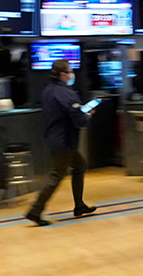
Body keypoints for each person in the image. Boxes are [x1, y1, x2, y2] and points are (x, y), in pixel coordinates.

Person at [25, 60, 97, 226]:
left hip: (55, 138)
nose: (72, 74)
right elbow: (78, 119)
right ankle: (35, 211)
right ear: (63, 74)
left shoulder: (48, 90)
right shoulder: (65, 92)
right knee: (55, 176)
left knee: (80, 166)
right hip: (64, 140)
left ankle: (79, 206)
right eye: (70, 71)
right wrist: (88, 115)